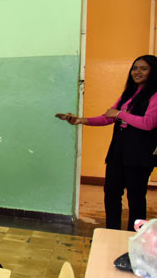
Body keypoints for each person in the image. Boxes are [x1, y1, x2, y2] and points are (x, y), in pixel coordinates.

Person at [58, 54, 157, 231]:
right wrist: (80, 120)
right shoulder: (129, 94)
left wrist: (120, 114)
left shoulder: (155, 95)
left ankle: (134, 238)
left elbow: (148, 123)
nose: (137, 72)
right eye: (135, 68)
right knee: (111, 193)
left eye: (143, 68)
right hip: (118, 152)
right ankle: (112, 232)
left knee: (136, 198)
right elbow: (107, 118)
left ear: (153, 71)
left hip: (139, 155)